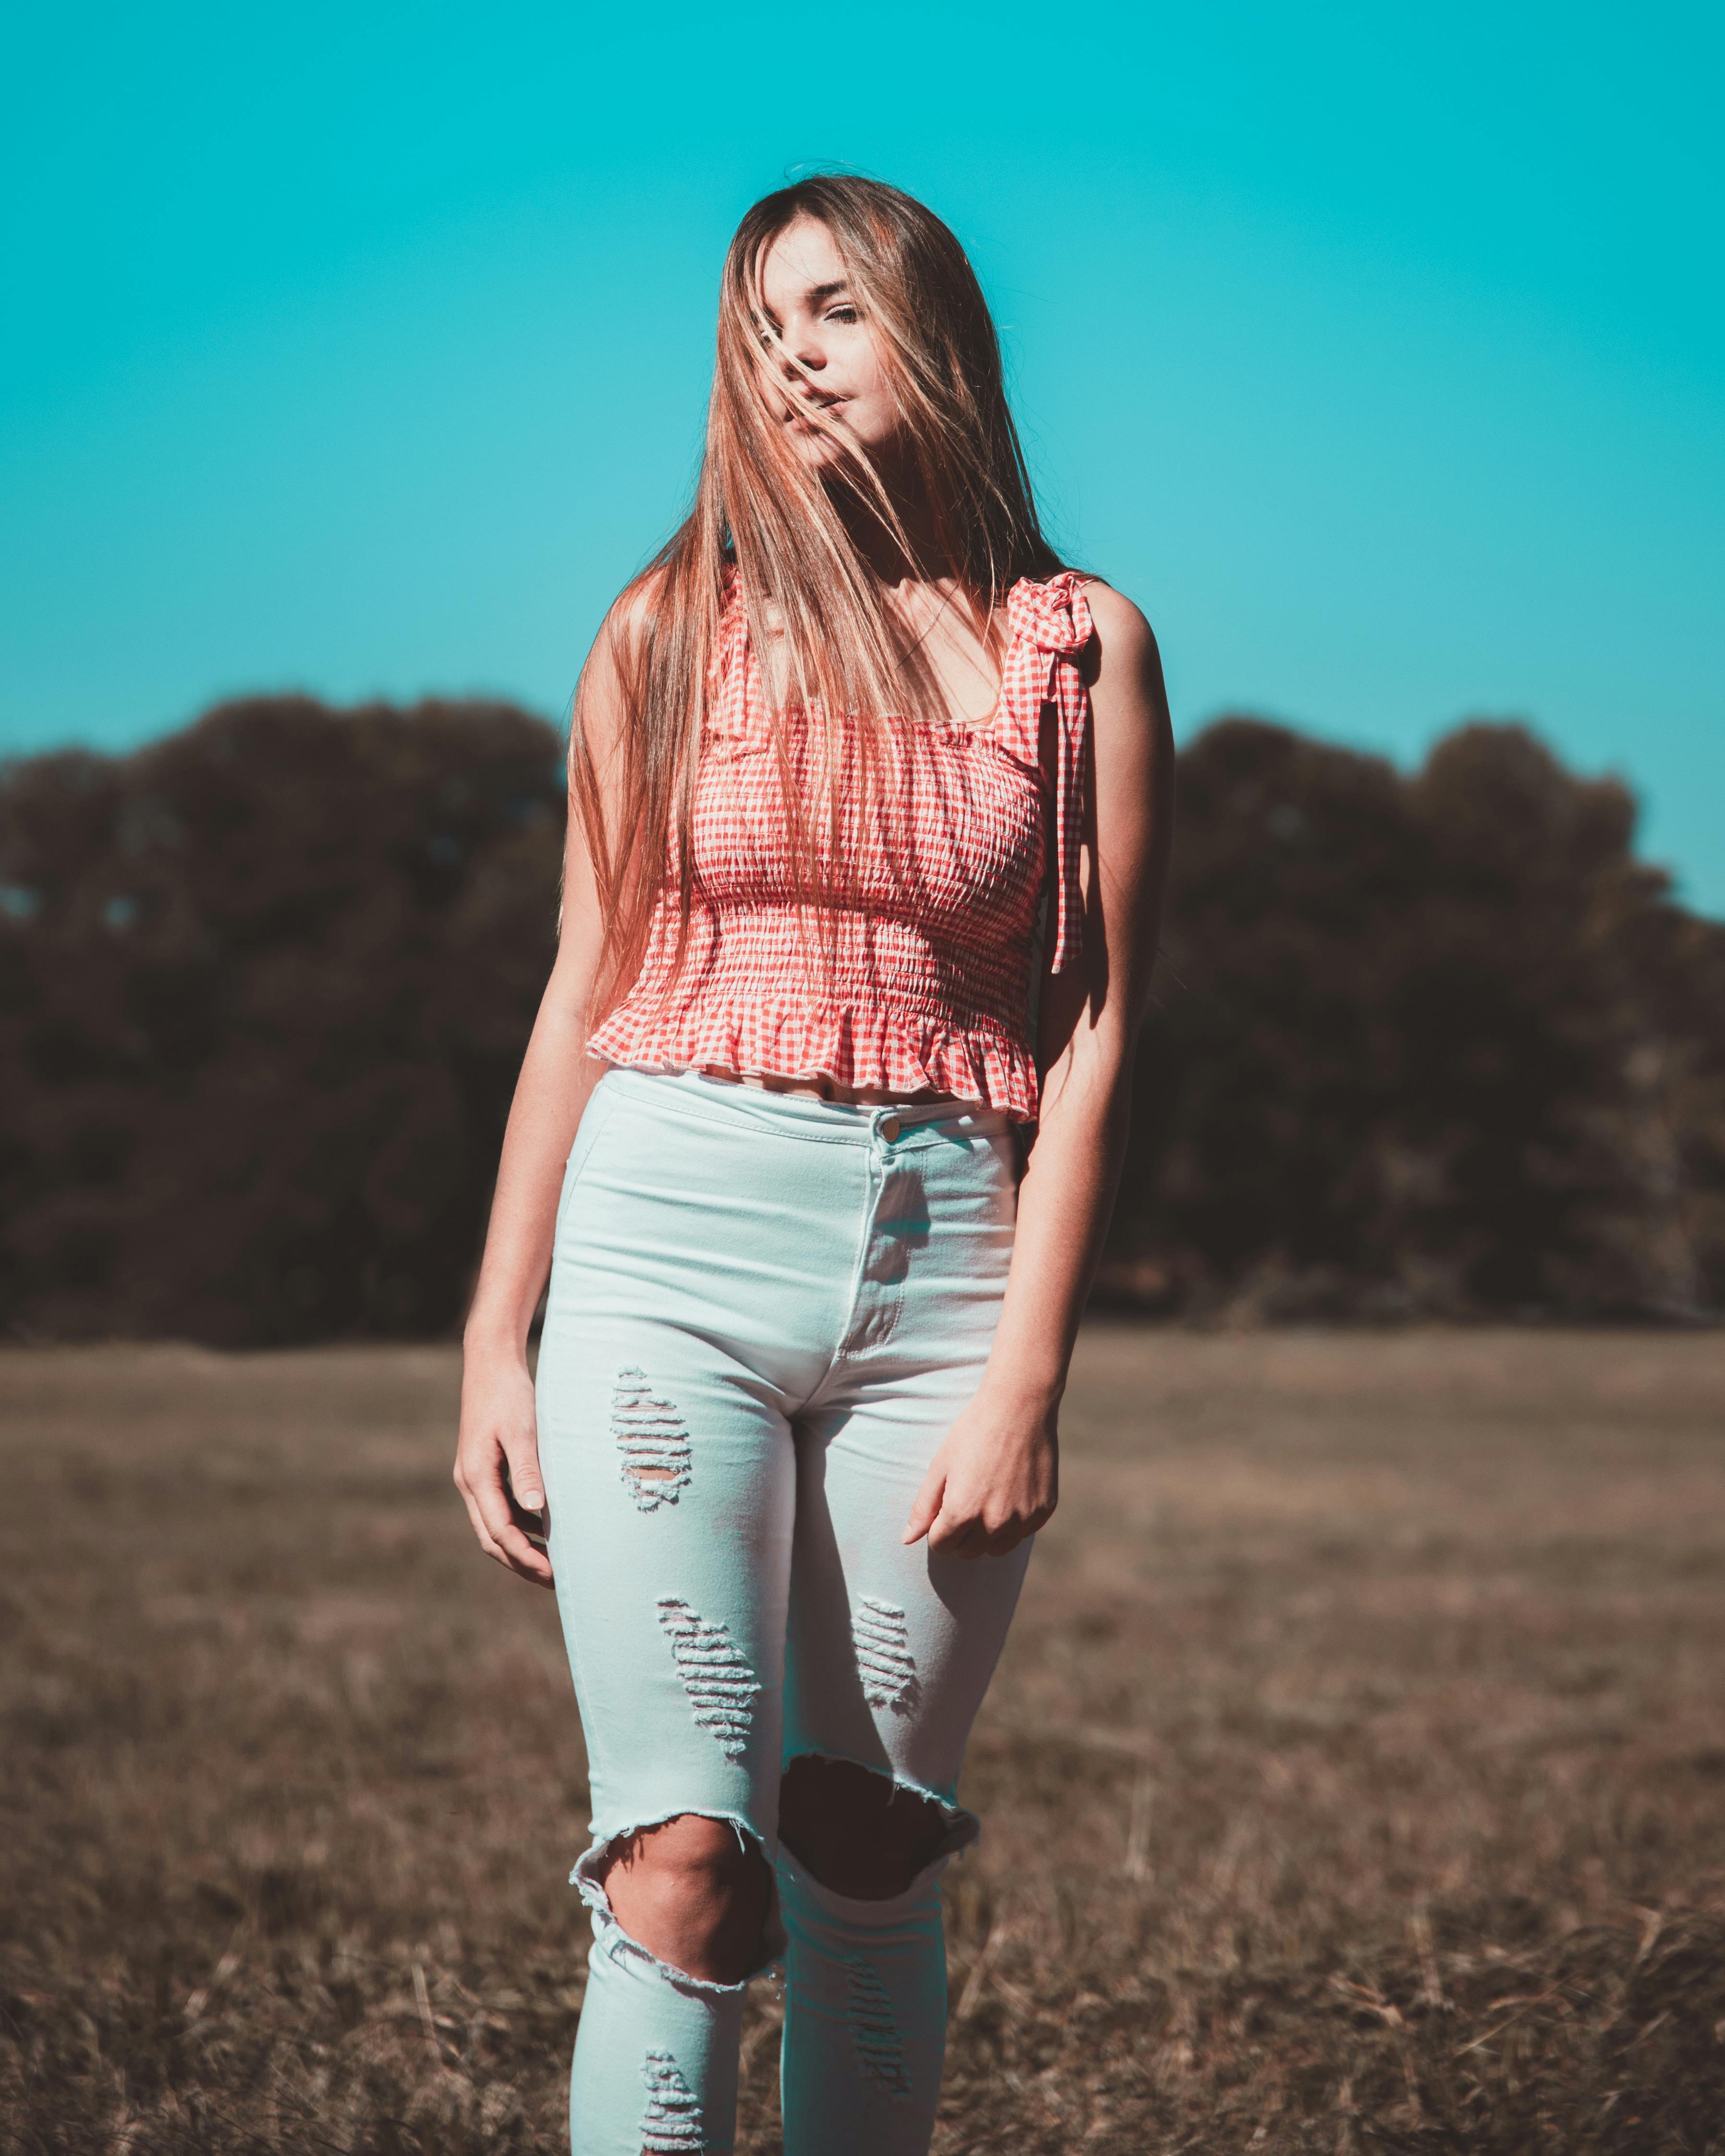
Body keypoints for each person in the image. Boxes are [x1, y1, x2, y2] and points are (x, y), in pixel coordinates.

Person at [453, 174, 1175, 2156]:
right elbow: (576, 989)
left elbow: (1094, 1023)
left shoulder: (1080, 647)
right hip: (662, 1254)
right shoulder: (663, 630)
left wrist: (1031, 1374)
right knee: (688, 1856)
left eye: (836, 311)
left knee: (861, 1850)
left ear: (937, 334)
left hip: (945, 1272)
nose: (791, 355)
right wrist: (491, 1343)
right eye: (759, 325)